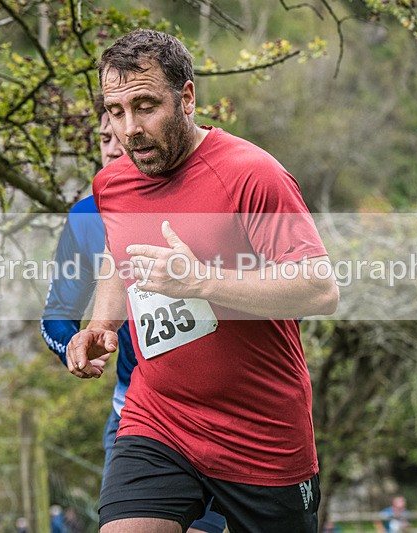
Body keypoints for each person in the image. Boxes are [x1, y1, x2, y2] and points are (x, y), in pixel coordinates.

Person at [67, 29, 338, 533]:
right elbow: (118, 255)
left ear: (186, 97)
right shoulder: (112, 183)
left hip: (262, 436)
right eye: (116, 111)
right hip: (160, 418)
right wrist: (101, 323)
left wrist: (201, 281)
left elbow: (320, 289)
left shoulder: (253, 175)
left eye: (146, 106)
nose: (130, 129)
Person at [40, 94, 226, 533]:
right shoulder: (85, 216)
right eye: (104, 136)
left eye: (122, 133)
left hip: (217, 409)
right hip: (135, 413)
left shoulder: (199, 195)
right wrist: (74, 341)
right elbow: (56, 313)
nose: (112, 144)